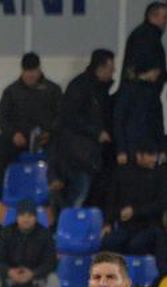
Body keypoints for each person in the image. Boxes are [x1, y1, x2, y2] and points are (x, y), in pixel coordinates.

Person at [0, 52, 61, 199]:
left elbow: (61, 117)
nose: (30, 75)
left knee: (60, 147)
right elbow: (0, 116)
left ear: (39, 70)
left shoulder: (53, 90)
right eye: (27, 72)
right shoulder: (12, 91)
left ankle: (55, 189)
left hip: (46, 139)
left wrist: (50, 132)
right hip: (19, 138)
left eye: (33, 71)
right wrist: (13, 133)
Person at [53, 49, 115, 208]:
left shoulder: (99, 89)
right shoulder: (81, 87)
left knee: (84, 195)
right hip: (78, 155)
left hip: (89, 155)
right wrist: (96, 132)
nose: (113, 71)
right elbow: (70, 117)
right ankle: (68, 227)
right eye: (111, 68)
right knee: (79, 194)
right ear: (100, 68)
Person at [101, 147, 167, 256]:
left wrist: (135, 211)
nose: (154, 159)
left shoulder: (161, 175)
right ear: (139, 156)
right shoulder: (122, 173)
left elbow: (162, 203)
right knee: (108, 243)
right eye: (150, 156)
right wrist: (107, 223)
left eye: (155, 155)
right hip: (125, 226)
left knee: (136, 245)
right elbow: (111, 200)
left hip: (149, 225)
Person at [0, 199, 56, 287]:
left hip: (36, 278)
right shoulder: (6, 233)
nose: (26, 219)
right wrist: (10, 272)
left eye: (30, 216)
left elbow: (50, 263)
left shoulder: (45, 235)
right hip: (10, 277)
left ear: (35, 218)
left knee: (53, 279)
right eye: (22, 215)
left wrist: (33, 273)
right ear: (17, 217)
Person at [121, 2, 167, 90]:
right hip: (141, 95)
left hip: (138, 93)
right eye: (164, 17)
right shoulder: (147, 37)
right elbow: (145, 67)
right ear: (153, 16)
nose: (166, 22)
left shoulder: (143, 34)